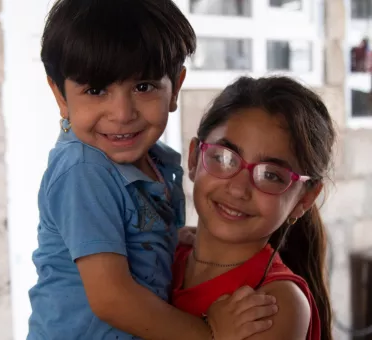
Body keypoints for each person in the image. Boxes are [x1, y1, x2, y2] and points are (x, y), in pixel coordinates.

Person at [27, 0, 278, 339]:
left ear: (175, 86)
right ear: (60, 95)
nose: (122, 113)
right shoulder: (83, 170)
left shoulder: (158, 164)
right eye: (96, 90)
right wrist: (210, 333)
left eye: (143, 87)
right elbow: (112, 299)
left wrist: (170, 236)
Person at [171, 76, 335, 340]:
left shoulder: (273, 304)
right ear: (193, 158)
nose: (238, 188)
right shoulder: (161, 252)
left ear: (304, 200)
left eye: (271, 175)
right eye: (224, 158)